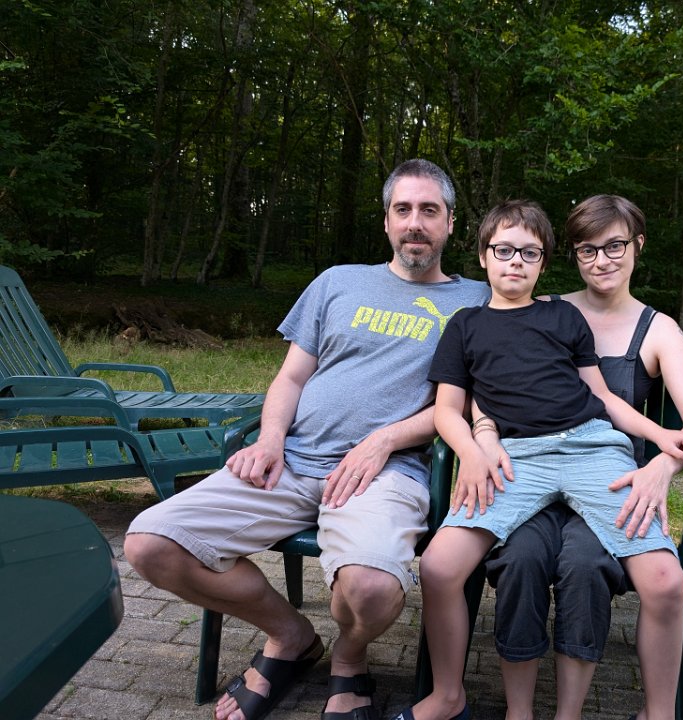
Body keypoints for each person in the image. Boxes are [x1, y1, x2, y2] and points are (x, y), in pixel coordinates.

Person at [123, 159, 490, 720]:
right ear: (386, 221)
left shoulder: (478, 300)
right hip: (290, 462)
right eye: (403, 209)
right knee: (150, 544)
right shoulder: (337, 281)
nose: (415, 222)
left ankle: (349, 654)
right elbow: (292, 377)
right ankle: (290, 635)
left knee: (371, 590)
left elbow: (460, 403)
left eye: (429, 210)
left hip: (385, 474)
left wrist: (384, 440)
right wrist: (270, 438)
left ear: (450, 222)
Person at [391, 200, 683, 720]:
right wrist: (473, 448)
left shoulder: (563, 316)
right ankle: (448, 695)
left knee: (666, 581)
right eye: (504, 250)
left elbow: (601, 396)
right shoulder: (465, 325)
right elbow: (450, 408)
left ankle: (660, 713)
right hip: (516, 460)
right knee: (439, 566)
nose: (515, 261)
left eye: (529, 253)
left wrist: (662, 438)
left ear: (543, 262)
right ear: (483, 255)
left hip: (591, 450)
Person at [486, 194, 683, 720]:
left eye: (614, 246)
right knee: (521, 557)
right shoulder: (544, 309)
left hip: (611, 484)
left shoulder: (657, 329)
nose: (601, 261)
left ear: (637, 245)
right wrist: (483, 437)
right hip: (531, 475)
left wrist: (662, 466)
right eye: (587, 250)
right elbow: (488, 379)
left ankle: (649, 711)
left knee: (594, 565)